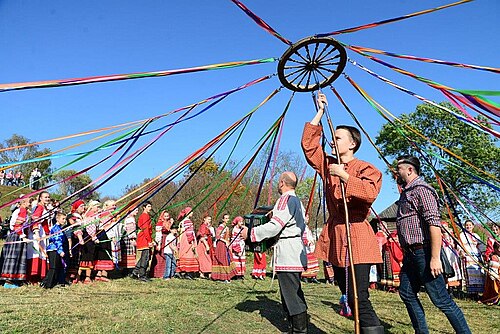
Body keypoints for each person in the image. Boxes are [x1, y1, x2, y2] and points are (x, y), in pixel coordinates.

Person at [301, 92, 384, 333]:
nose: (333, 142)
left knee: (360, 297)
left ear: (352, 143)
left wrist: (345, 175)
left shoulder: (367, 168)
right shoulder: (328, 164)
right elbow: (309, 147)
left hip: (357, 235)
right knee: (346, 293)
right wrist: (320, 112)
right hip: (336, 236)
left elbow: (369, 192)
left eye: (337, 138)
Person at [395, 155, 471, 334]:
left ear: (410, 170)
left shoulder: (422, 190)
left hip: (424, 252)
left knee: (441, 299)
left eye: (398, 169)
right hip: (411, 255)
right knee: (406, 292)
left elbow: (434, 224)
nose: (396, 172)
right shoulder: (406, 193)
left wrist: (435, 258)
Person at [248, 172, 308, 333]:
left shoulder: (285, 200)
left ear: (282, 183)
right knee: (292, 292)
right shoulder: (297, 201)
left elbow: (275, 226)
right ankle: (296, 328)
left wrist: (250, 233)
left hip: (288, 253)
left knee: (291, 296)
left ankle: (299, 331)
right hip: (295, 250)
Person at [0, 196, 31, 288]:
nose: (30, 204)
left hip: (17, 236)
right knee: (13, 257)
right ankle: (8, 281)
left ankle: (13, 279)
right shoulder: (22, 211)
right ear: (23, 203)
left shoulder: (23, 211)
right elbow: (17, 225)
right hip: (16, 236)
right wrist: (22, 236)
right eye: (29, 202)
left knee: (17, 258)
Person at [40, 212, 68, 288]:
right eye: (63, 218)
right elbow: (57, 240)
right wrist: (60, 250)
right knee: (53, 267)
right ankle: (47, 284)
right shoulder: (56, 228)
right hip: (54, 249)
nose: (64, 220)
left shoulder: (60, 228)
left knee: (56, 267)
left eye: (65, 219)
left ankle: (50, 282)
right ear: (57, 219)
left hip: (56, 249)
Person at [459, 220, 484, 298]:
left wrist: (483, 253)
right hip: (467, 256)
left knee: (477, 274)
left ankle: (477, 292)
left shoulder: (476, 235)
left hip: (476, 257)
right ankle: (471, 292)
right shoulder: (462, 235)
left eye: (470, 225)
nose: (468, 226)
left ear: (473, 226)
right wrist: (461, 252)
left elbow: (481, 245)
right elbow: (460, 245)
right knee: (469, 274)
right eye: (467, 225)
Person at [131, 201, 153, 282]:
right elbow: (145, 229)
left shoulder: (146, 216)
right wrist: (149, 240)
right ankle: (142, 275)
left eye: (150, 206)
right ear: (144, 207)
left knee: (144, 256)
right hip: (144, 238)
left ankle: (135, 272)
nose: (150, 208)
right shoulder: (145, 216)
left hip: (145, 238)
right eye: (148, 206)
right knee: (145, 257)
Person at [211, 213, 235, 282]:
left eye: (228, 218)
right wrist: (225, 241)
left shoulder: (226, 227)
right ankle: (222, 277)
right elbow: (218, 236)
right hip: (221, 244)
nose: (227, 220)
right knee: (222, 259)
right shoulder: (221, 227)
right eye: (226, 218)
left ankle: (227, 276)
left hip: (225, 244)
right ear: (223, 219)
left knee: (228, 259)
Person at [150, 211, 170, 278]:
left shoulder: (169, 222)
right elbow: (158, 234)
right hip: (161, 240)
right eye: (165, 216)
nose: (166, 217)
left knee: (165, 255)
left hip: (166, 240)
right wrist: (158, 243)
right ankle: (157, 273)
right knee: (159, 256)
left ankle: (164, 272)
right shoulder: (160, 223)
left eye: (167, 216)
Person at [301, 215, 320, 284]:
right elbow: (302, 236)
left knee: (313, 261)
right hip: (306, 248)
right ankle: (305, 276)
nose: (307, 219)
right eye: (306, 217)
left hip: (311, 248)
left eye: (308, 217)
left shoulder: (307, 227)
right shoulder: (301, 226)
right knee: (307, 262)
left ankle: (313, 276)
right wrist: (306, 242)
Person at [120, 207, 139, 276]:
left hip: (127, 238)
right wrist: (132, 239)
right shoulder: (130, 219)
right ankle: (128, 271)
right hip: (128, 238)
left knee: (127, 253)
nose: (137, 211)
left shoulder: (129, 218)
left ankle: (126, 270)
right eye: (136, 210)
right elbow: (130, 230)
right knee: (129, 253)